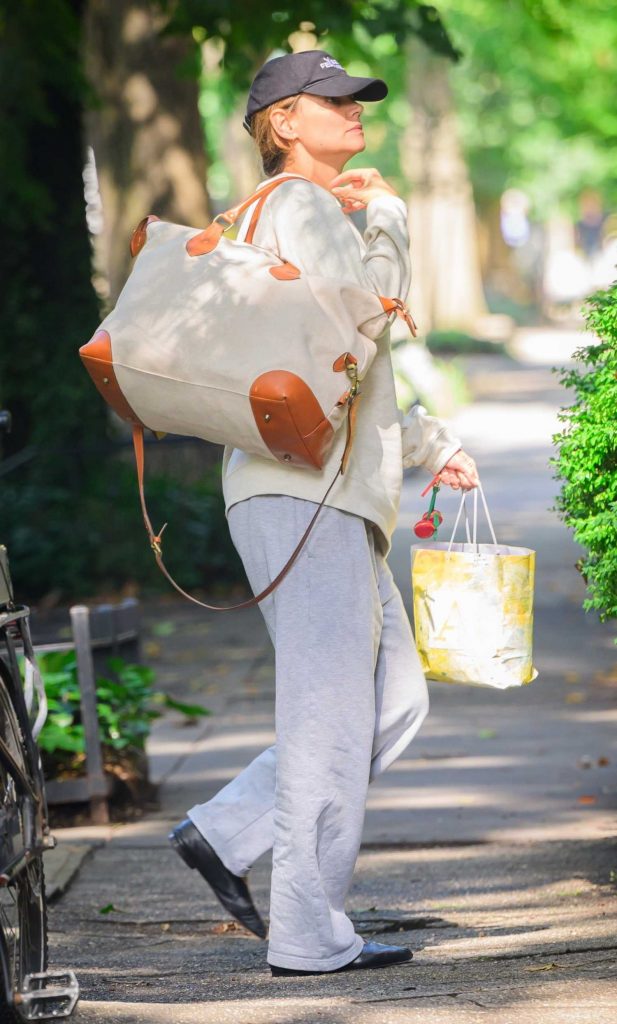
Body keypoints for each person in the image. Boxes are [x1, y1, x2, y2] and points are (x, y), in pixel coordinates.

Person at [169, 49, 479, 977]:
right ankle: (308, 935)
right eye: (331, 102)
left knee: (391, 697)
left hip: (318, 488)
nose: (354, 114)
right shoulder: (305, 207)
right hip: (305, 496)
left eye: (357, 100)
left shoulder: (294, 214)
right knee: (329, 716)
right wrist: (385, 216)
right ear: (283, 123)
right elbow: (366, 320)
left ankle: (227, 833)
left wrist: (429, 443)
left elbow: (337, 370)